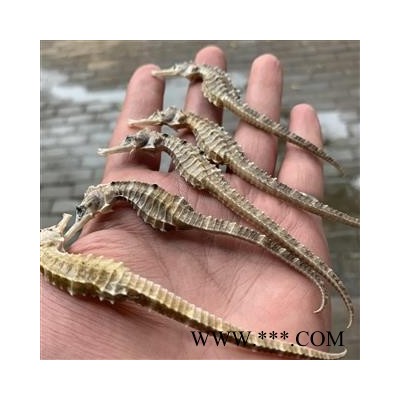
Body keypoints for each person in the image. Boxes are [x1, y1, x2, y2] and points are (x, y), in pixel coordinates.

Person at [41, 46, 331, 359]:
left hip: (183, 196)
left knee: (256, 222)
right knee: (254, 225)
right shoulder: (131, 190)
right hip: (174, 206)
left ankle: (318, 274)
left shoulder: (158, 163)